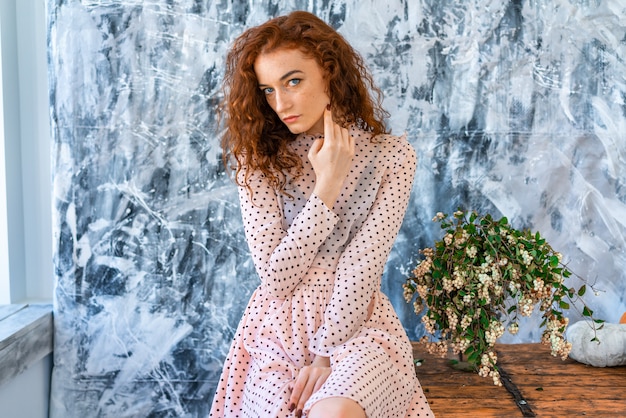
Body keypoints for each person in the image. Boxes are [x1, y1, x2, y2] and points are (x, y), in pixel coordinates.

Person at [210, 10, 433, 418]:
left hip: (356, 325)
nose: (281, 103)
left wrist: (328, 352)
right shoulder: (257, 158)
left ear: (329, 75)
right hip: (277, 329)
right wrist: (327, 186)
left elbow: (362, 263)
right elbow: (277, 279)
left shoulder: (392, 158)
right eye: (268, 90)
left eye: (293, 81)